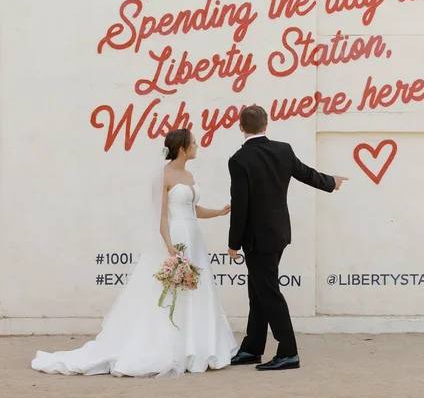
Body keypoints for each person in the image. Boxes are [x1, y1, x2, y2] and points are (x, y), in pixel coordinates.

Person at [31, 129, 239, 377]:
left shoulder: (190, 174)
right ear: (182, 148)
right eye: (194, 142)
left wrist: (218, 212)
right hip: (175, 237)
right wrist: (170, 246)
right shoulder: (162, 176)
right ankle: (174, 348)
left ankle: (197, 348)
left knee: (195, 289)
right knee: (170, 292)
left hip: (194, 238)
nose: (197, 145)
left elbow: (192, 209)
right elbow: (161, 216)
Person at [227, 104, 347, 371]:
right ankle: (252, 348)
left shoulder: (239, 160)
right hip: (279, 233)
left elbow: (241, 205)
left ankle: (289, 352)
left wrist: (233, 243)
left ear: (241, 127)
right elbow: (305, 173)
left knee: (267, 293)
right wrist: (331, 181)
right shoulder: (283, 149)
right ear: (266, 125)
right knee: (258, 292)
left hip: (257, 239)